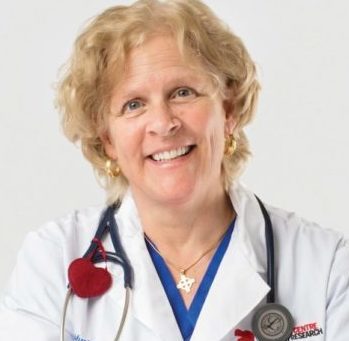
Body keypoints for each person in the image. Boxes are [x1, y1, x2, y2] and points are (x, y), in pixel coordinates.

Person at [0, 0, 348, 340]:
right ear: (107, 138)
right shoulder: (53, 259)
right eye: (133, 104)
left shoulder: (327, 266)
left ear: (228, 110)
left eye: (183, 93)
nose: (163, 124)